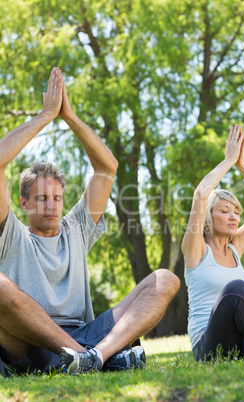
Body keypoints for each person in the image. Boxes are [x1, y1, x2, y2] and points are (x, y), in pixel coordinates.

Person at [0, 67, 180, 376]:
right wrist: (45, 117)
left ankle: (97, 357)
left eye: (56, 198)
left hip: (87, 334)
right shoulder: (12, 234)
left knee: (166, 279)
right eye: (42, 198)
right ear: (24, 203)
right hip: (30, 345)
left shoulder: (76, 229)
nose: (51, 206)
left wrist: (69, 116)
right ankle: (90, 358)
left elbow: (107, 168)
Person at [181, 124, 244, 362]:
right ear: (209, 215)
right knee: (236, 289)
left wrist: (242, 165)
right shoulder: (195, 250)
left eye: (236, 212)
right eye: (225, 211)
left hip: (242, 342)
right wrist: (228, 160)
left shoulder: (235, 246)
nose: (234, 217)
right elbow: (200, 194)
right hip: (208, 346)